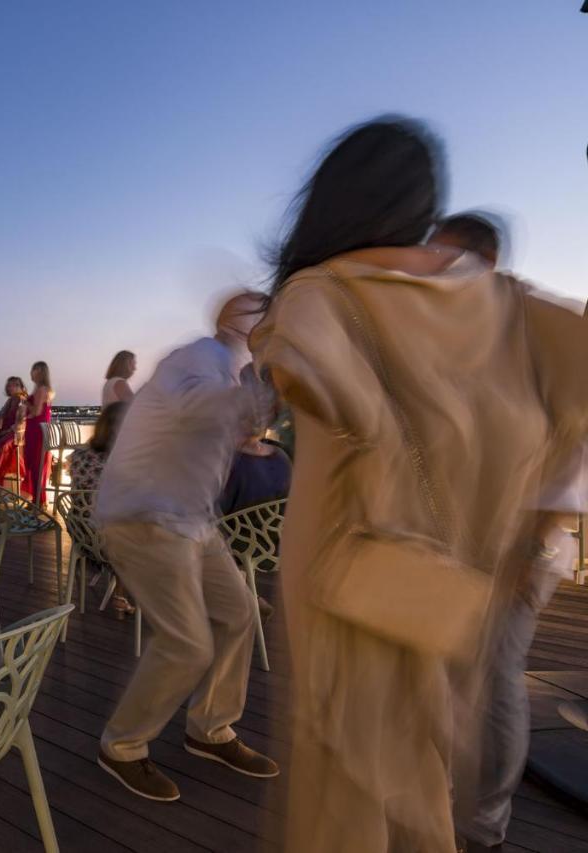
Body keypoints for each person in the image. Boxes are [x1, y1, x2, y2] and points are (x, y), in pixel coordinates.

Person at [250, 117, 588, 853]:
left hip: (344, 574)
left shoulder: (323, 293)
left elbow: (300, 369)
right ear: (421, 203)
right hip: (448, 581)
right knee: (422, 761)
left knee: (343, 780)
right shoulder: (494, 299)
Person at [428, 212, 583, 853]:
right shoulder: (468, 336)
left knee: (495, 677)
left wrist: (541, 540)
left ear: (482, 261)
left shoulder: (544, 325)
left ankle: (484, 827)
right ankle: (439, 796)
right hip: (463, 537)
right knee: (447, 670)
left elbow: (576, 439)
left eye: (443, 259)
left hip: (524, 538)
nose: (432, 273)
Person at [94, 291, 277, 804]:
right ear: (243, 325)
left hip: (192, 519)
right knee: (187, 642)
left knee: (238, 614)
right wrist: (259, 401)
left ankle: (211, 730)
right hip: (143, 515)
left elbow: (214, 424)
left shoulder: (232, 373)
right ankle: (122, 747)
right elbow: (198, 406)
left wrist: (251, 432)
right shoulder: (199, 357)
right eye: (267, 316)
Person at [68, 402, 130, 617]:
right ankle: (123, 595)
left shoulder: (77, 455)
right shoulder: (121, 462)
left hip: (81, 537)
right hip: (110, 544)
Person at [21, 362, 54, 505]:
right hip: (39, 430)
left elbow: (36, 412)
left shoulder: (41, 389)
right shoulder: (44, 389)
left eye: (34, 370)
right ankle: (39, 500)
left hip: (36, 431)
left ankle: (37, 502)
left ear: (40, 372)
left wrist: (25, 401)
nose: (32, 372)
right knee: (37, 465)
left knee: (35, 466)